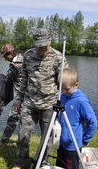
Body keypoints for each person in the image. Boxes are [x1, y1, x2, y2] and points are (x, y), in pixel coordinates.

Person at [12, 28, 69, 169]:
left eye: (45, 44)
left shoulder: (58, 57)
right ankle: (21, 163)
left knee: (47, 137)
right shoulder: (28, 55)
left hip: (49, 104)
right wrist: (18, 99)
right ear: (35, 42)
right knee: (23, 134)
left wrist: (64, 101)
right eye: (39, 44)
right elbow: (23, 78)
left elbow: (65, 81)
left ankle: (43, 163)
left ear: (50, 41)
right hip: (29, 102)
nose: (42, 47)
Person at [56, 67, 98, 169]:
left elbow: (92, 122)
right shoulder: (62, 96)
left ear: (76, 85)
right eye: (61, 88)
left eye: (66, 88)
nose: (63, 91)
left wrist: (86, 139)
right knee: (60, 165)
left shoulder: (81, 101)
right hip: (60, 142)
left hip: (72, 144)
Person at [0, 44, 23, 148]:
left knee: (13, 117)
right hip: (28, 94)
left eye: (5, 56)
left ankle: (3, 142)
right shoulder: (23, 58)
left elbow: (10, 78)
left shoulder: (16, 64)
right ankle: (20, 141)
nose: (4, 59)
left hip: (23, 95)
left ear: (11, 53)